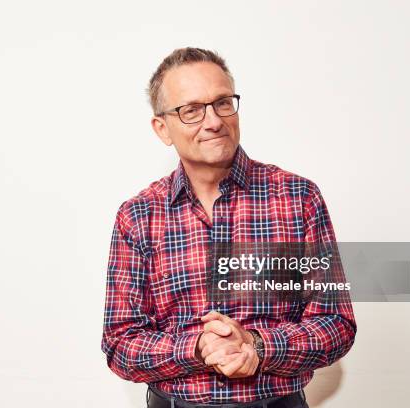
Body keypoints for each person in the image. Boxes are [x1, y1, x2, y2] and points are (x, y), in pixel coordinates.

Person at [101, 47, 356, 408]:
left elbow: (336, 324)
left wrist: (258, 344)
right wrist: (198, 347)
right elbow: (119, 344)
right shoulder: (138, 215)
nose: (214, 121)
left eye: (223, 103)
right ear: (162, 128)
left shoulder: (298, 198)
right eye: (191, 110)